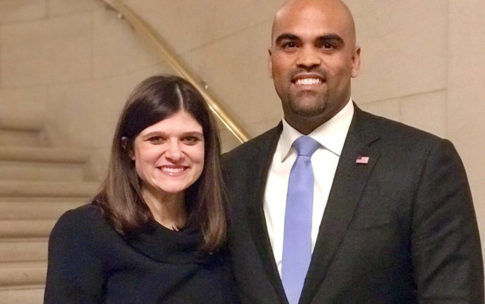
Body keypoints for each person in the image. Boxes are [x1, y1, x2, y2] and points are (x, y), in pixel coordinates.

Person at [221, 0, 484, 303]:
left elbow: (454, 295)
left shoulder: (422, 163)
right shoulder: (231, 172)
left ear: (354, 60)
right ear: (271, 61)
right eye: (290, 44)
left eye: (327, 45)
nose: (307, 59)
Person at [44, 75, 239, 303]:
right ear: (129, 149)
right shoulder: (84, 231)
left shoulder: (221, 231)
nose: (175, 154)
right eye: (156, 139)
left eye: (189, 139)